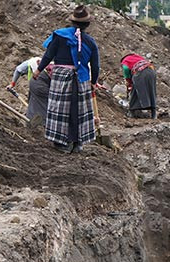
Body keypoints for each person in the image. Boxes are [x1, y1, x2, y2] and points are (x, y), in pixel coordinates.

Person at [35, 5, 100, 153]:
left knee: (60, 109)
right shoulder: (90, 42)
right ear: (87, 24)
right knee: (78, 110)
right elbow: (95, 66)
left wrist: (38, 71)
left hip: (60, 79)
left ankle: (62, 143)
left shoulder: (59, 36)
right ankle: (77, 143)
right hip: (81, 80)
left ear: (72, 22)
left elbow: (48, 55)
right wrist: (94, 82)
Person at [6, 57, 55, 127]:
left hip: (38, 83)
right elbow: (18, 70)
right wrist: (12, 84)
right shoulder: (30, 63)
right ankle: (42, 124)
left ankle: (32, 119)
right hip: (38, 84)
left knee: (34, 101)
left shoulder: (47, 65)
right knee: (44, 103)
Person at [121, 53, 157, 119]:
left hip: (140, 74)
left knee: (135, 92)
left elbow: (126, 69)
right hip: (152, 72)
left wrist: (128, 80)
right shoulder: (137, 57)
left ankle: (131, 111)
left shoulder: (125, 60)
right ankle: (153, 113)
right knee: (151, 91)